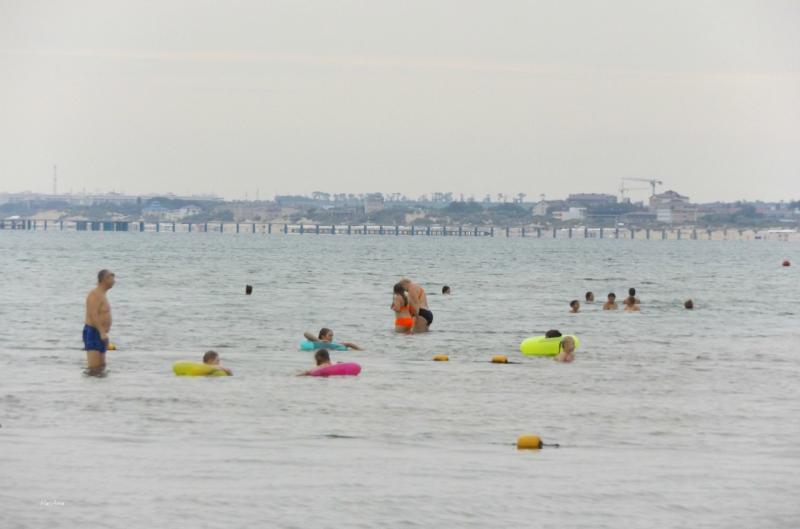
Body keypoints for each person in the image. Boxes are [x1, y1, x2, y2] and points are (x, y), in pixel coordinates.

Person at [83, 269, 115, 373]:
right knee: (94, 369)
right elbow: (92, 314)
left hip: (101, 333)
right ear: (104, 279)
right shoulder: (95, 294)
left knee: (101, 368)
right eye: (112, 278)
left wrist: (104, 333)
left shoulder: (102, 294)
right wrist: (101, 332)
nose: (114, 281)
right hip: (94, 332)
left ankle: (100, 389)